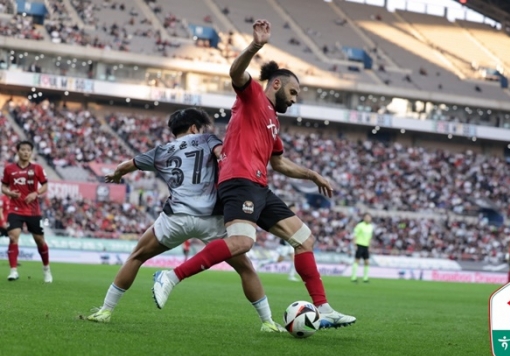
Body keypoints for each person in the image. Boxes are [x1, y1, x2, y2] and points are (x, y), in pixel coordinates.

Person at [152, 19, 356, 329]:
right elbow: (235, 73)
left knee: (304, 238)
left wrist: (312, 175)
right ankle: (171, 275)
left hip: (260, 185)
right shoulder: (252, 99)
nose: (295, 98)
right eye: (293, 91)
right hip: (238, 180)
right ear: (276, 83)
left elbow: (280, 163)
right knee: (242, 243)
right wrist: (256, 46)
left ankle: (323, 308)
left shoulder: (273, 121)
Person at [87, 108, 284, 332]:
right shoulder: (208, 139)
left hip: (176, 218)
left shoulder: (161, 151)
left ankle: (105, 310)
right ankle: (268, 322)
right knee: (246, 269)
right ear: (194, 128)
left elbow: (126, 166)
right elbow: (223, 154)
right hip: (212, 220)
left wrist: (116, 175)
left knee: (137, 256)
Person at [1, 141, 51, 282]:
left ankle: (46, 269)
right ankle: (13, 271)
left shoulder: (37, 168)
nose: (26, 152)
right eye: (23, 149)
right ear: (18, 151)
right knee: (13, 236)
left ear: (31, 152)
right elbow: (3, 187)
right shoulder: (9, 169)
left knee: (39, 240)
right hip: (15, 208)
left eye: (28, 150)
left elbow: (45, 185)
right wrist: (9, 192)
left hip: (33, 210)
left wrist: (36, 193)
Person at [258, 204, 299, 281]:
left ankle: (291, 276)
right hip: (284, 243)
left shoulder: (294, 218)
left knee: (294, 259)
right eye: (293, 208)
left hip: (290, 243)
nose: (295, 210)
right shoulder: (286, 217)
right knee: (278, 260)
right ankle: (262, 262)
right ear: (290, 209)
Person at [350, 213, 374, 283]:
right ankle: (353, 277)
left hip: (366, 246)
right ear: (364, 218)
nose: (368, 219)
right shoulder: (360, 225)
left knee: (367, 262)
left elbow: (369, 237)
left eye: (369, 217)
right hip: (359, 244)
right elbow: (355, 235)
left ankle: (365, 278)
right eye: (366, 217)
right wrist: (355, 245)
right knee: (357, 260)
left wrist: (369, 246)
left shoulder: (370, 227)